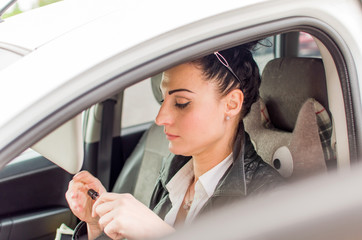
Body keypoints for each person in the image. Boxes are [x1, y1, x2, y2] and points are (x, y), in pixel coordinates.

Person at [66, 42, 283, 240]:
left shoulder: (268, 199)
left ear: (232, 104)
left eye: (181, 103)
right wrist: (98, 225)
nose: (160, 118)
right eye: (163, 99)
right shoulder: (173, 174)